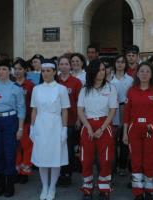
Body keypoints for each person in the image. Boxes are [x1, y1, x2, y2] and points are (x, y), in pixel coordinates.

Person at [122, 61, 153, 200]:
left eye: (147, 71)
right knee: (136, 160)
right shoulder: (131, 90)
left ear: (151, 74)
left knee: (149, 159)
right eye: (142, 71)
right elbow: (126, 114)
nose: (144, 74)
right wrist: (125, 133)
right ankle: (138, 192)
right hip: (134, 129)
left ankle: (149, 191)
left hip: (149, 129)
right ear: (137, 74)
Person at [0, 59, 25, 197]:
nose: (1, 72)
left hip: (10, 121)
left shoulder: (16, 88)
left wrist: (20, 129)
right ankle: (0, 184)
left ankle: (10, 185)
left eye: (4, 69)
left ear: (9, 71)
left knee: (10, 152)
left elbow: (21, 109)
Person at [30, 59, 70, 200]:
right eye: (43, 71)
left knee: (55, 157)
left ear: (54, 72)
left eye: (48, 71)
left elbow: (65, 110)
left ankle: (52, 187)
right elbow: (34, 109)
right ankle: (44, 186)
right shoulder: (36, 89)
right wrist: (32, 127)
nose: (45, 73)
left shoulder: (61, 89)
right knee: (42, 157)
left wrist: (64, 128)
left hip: (55, 124)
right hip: (41, 123)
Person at [78, 59, 118, 200]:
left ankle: (104, 188)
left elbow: (113, 111)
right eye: (99, 70)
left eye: (103, 69)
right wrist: (88, 127)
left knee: (105, 159)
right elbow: (80, 110)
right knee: (86, 160)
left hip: (104, 125)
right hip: (87, 125)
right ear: (92, 71)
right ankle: (87, 188)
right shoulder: (84, 89)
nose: (102, 72)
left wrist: (102, 128)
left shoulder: (111, 88)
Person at [57, 55, 82, 186]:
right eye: (61, 64)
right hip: (55, 121)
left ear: (70, 66)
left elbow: (79, 102)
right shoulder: (55, 81)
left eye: (66, 64)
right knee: (57, 148)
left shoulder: (76, 82)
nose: (64, 66)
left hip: (71, 121)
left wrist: (78, 119)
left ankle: (67, 174)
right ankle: (59, 173)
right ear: (58, 66)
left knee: (68, 149)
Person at [110, 55, 133, 176]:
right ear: (115, 64)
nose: (120, 64)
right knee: (113, 139)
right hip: (113, 109)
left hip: (125, 108)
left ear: (126, 64)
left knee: (125, 139)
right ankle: (113, 166)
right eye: (118, 62)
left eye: (123, 62)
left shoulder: (130, 79)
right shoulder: (110, 79)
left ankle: (123, 166)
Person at [13, 58, 34, 184]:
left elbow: (34, 105)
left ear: (25, 70)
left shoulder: (31, 86)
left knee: (26, 147)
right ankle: (16, 170)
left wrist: (33, 121)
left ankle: (25, 171)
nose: (17, 71)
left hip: (26, 120)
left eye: (20, 69)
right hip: (12, 121)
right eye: (15, 69)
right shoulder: (10, 84)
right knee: (16, 147)